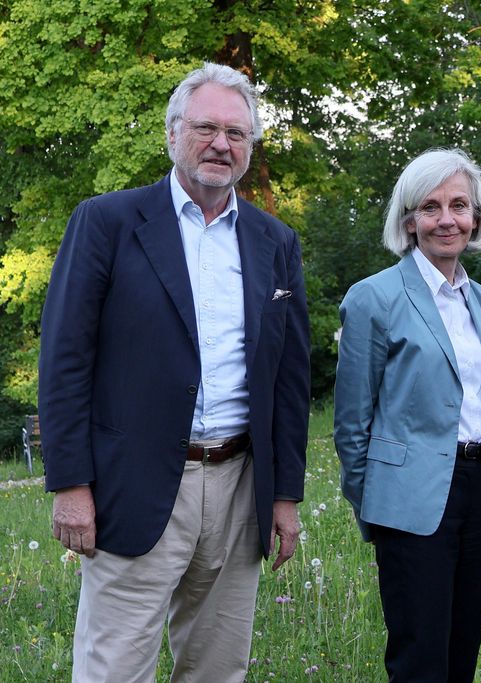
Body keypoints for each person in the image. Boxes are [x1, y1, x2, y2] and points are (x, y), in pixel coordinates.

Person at [38, 62, 311, 682]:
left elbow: (290, 382)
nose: (221, 144)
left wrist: (285, 496)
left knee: (218, 670)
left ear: (250, 148)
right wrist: (70, 486)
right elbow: (64, 361)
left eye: (237, 134)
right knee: (113, 670)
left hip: (242, 486)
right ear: (172, 134)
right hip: (132, 488)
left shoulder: (275, 242)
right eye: (207, 127)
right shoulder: (106, 223)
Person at [334, 148, 481, 682]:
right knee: (420, 657)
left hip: (480, 488)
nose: (446, 219)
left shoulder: (476, 298)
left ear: (476, 218)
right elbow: (350, 424)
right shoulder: (374, 298)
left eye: (459, 205)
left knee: (463, 652)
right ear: (409, 219)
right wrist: (376, 506)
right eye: (430, 207)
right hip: (409, 500)